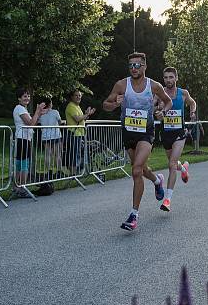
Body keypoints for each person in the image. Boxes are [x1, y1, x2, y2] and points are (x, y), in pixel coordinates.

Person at [102, 52, 172, 231]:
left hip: (146, 133)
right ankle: (157, 180)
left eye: (137, 65)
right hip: (128, 132)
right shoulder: (121, 85)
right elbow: (105, 105)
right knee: (140, 169)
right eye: (131, 65)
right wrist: (115, 104)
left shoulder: (154, 86)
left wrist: (162, 112)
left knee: (136, 170)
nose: (134, 68)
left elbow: (167, 101)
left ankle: (134, 215)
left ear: (144, 67)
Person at [156, 66, 196, 213]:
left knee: (172, 164)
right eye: (166, 77)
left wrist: (192, 111)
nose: (168, 80)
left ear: (176, 78)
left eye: (171, 77)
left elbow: (192, 102)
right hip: (166, 133)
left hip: (179, 132)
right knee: (172, 163)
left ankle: (167, 200)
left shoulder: (183, 93)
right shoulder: (160, 94)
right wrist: (157, 111)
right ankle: (184, 168)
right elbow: (151, 106)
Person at [12, 88, 47, 198]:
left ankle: (16, 187)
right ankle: (22, 188)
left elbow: (34, 123)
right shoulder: (19, 108)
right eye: (24, 96)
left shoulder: (23, 109)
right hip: (22, 138)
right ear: (19, 98)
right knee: (24, 164)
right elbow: (30, 124)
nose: (27, 98)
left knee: (20, 164)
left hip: (25, 138)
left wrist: (39, 114)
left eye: (28, 96)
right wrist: (37, 111)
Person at [64, 89, 95, 175]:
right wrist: (87, 114)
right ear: (72, 97)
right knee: (73, 154)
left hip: (79, 133)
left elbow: (82, 118)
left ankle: (75, 174)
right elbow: (77, 119)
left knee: (76, 154)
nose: (78, 97)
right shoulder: (71, 106)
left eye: (80, 96)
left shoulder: (77, 106)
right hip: (73, 133)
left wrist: (87, 114)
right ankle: (73, 174)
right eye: (76, 95)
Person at [38, 96, 63, 176]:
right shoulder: (55, 112)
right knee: (57, 154)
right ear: (50, 104)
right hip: (55, 135)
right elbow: (59, 121)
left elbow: (38, 122)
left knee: (47, 154)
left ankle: (48, 171)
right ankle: (59, 171)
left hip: (45, 136)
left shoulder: (40, 113)